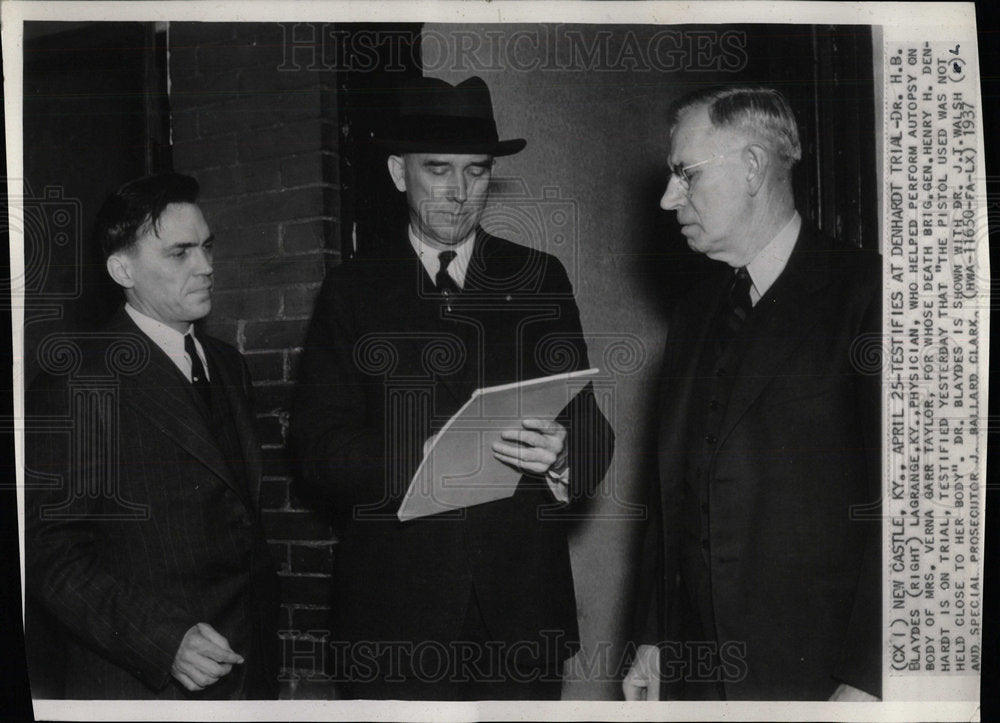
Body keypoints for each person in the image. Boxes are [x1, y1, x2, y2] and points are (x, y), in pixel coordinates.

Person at [292, 76, 614, 700]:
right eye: (438, 170)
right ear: (397, 172)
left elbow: (591, 425)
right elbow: (319, 451)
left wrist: (568, 454)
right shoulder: (351, 292)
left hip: (521, 612)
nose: (459, 193)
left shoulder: (539, 277)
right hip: (395, 616)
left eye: (476, 171)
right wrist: (438, 457)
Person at [623, 87, 881, 701]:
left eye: (684, 174)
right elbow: (671, 499)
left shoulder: (870, 293)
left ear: (753, 167)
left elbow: (912, 512)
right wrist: (654, 641)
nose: (667, 198)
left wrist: (869, 680)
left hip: (817, 678)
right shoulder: (693, 314)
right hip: (695, 679)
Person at [25, 173, 279, 699]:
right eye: (180, 253)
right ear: (123, 268)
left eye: (206, 247)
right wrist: (162, 641)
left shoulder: (229, 366)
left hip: (245, 675)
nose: (206, 266)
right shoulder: (80, 377)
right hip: (144, 684)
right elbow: (50, 558)